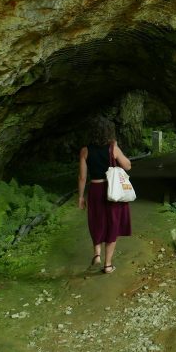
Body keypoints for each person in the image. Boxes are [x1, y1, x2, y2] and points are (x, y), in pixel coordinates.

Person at [77, 117, 132, 274]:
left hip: (95, 189)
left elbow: (82, 177)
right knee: (112, 225)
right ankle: (107, 265)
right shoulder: (112, 147)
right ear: (109, 131)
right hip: (112, 190)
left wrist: (81, 197)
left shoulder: (85, 150)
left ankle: (97, 255)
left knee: (97, 221)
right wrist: (117, 151)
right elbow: (127, 165)